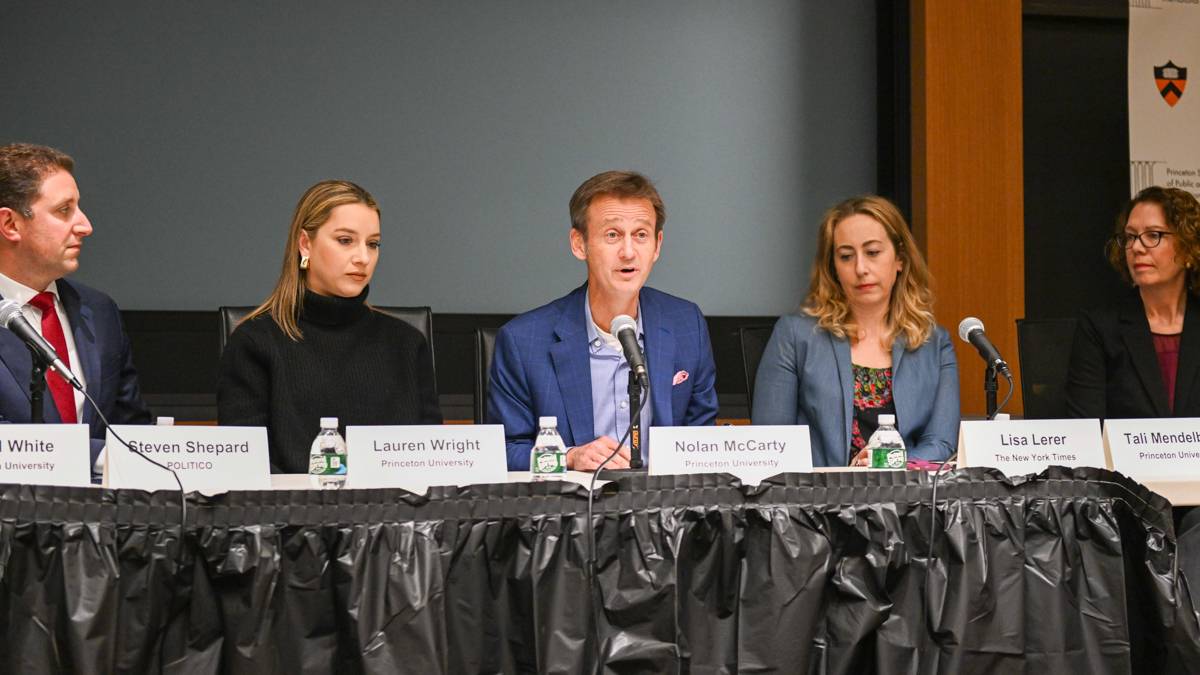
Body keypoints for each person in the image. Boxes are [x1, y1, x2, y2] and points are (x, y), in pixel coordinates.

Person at [488, 170, 718, 471]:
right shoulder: (524, 341)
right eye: (612, 235)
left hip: (665, 512)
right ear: (579, 244)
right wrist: (569, 457)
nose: (628, 252)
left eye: (641, 235)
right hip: (572, 512)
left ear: (657, 246)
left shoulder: (687, 325)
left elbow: (702, 442)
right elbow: (501, 452)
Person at [218, 180, 441, 473]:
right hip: (292, 517)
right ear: (305, 244)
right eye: (346, 240)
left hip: (396, 516)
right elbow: (244, 469)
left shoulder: (407, 344)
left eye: (373, 244)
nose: (363, 258)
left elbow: (434, 462)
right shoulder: (255, 342)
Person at [751, 195, 958, 467]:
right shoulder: (794, 335)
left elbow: (941, 443)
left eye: (872, 253)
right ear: (833, 268)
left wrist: (884, 464)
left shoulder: (935, 342)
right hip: (816, 503)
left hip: (908, 501)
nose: (860, 268)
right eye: (846, 256)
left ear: (900, 259)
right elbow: (770, 444)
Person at [0, 143, 150, 470]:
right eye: (64, 210)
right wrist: (98, 455)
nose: (84, 225)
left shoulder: (99, 312)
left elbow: (131, 426)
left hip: (107, 515)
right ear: (10, 224)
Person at [1066, 186, 1200, 418]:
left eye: (1153, 235)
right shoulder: (1100, 327)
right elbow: (1085, 430)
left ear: (1189, 248)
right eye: (1130, 237)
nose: (1136, 248)